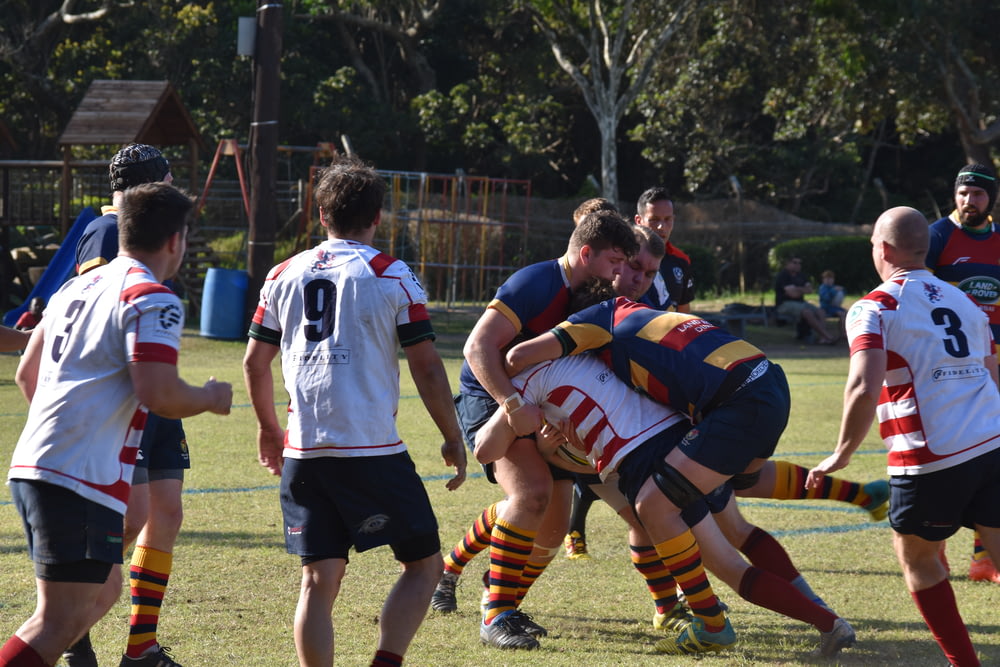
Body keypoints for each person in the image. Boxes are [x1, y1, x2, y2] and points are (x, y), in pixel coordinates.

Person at [476, 350, 855, 657]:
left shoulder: (528, 378)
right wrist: (546, 445)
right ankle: (828, 622)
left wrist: (511, 407)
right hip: (689, 442)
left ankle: (710, 624)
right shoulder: (605, 354)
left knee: (724, 561)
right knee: (729, 552)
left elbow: (484, 450)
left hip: (648, 461)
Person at [242, 156, 467, 667]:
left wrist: (267, 429)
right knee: (424, 566)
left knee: (318, 581)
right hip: (371, 452)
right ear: (378, 217)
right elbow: (428, 369)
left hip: (304, 451)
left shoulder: (282, 274)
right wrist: (452, 436)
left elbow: (255, 363)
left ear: (321, 214)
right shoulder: (390, 273)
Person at [1, 182, 233, 667]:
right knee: (57, 621)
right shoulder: (153, 298)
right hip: (74, 477)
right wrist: (210, 397)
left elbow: (27, 371)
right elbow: (159, 394)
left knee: (102, 590)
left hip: (37, 466)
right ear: (176, 240)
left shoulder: (74, 286)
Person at [807, 206, 1000, 667]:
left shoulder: (874, 306)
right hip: (992, 442)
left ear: (884, 249)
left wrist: (841, 453)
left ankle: (964, 663)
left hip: (931, 457)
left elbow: (862, 384)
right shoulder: (965, 303)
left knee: (916, 558)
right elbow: (992, 374)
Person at [437, 210, 636, 650]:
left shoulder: (591, 293)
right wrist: (510, 403)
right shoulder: (536, 283)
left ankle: (468, 580)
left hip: (540, 402)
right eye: (615, 263)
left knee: (551, 527)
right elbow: (477, 347)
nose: (620, 273)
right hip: (491, 398)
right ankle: (496, 615)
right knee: (531, 495)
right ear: (586, 253)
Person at [65, 143, 189, 667]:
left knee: (166, 512)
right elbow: (97, 303)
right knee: (134, 517)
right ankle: (72, 619)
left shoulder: (146, 225)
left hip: (156, 388)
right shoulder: (107, 230)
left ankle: (140, 644)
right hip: (125, 393)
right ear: (155, 182)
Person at [925, 162, 1000, 585]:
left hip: (995, 365)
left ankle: (984, 559)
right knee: (943, 457)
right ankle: (933, 550)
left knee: (994, 459)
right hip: (949, 366)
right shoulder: (937, 237)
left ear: (991, 199)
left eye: (978, 194)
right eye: (963, 193)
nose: (969, 201)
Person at [633, 186, 692, 312]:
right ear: (639, 221)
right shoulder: (624, 259)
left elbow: (684, 316)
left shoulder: (681, 260)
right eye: (654, 220)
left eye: (667, 219)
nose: (661, 226)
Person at [774, 255, 836, 344]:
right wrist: (802, 290)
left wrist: (796, 289)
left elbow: (810, 290)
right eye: (795, 262)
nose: (798, 265)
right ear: (788, 264)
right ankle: (826, 336)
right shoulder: (783, 275)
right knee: (807, 312)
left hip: (801, 303)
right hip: (784, 304)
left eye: (799, 263)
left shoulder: (801, 275)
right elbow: (792, 295)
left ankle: (823, 338)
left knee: (821, 311)